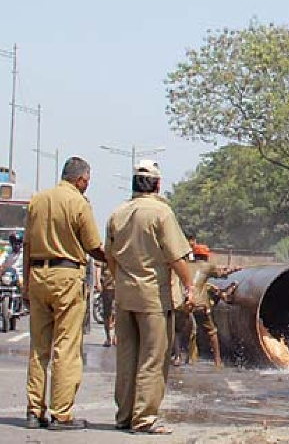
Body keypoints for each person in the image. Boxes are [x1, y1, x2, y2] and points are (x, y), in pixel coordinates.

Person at [106, 159, 194, 435]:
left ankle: (124, 415)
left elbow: (109, 256)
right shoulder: (161, 213)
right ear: (157, 184)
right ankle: (144, 418)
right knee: (152, 359)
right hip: (153, 297)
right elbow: (176, 256)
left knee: (127, 356)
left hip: (124, 295)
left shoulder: (117, 214)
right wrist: (189, 285)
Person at [22, 156, 108, 430]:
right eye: (87, 181)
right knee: (66, 348)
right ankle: (62, 413)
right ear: (81, 179)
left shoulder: (38, 199)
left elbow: (26, 245)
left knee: (38, 348)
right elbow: (93, 246)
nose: (87, 185)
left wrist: (26, 283)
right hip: (67, 277)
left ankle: (34, 411)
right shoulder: (78, 203)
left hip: (37, 275)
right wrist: (114, 259)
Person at [177, 235, 239, 368]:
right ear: (206, 256)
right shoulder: (207, 266)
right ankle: (217, 362)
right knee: (212, 332)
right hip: (199, 305)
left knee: (177, 330)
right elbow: (222, 274)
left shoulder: (186, 265)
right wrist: (234, 270)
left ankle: (177, 357)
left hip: (183, 302)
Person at [94, 258, 117, 347]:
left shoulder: (121, 249)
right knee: (107, 313)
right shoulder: (104, 252)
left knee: (119, 313)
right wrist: (98, 283)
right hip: (107, 286)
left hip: (120, 285)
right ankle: (108, 337)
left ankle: (115, 336)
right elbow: (98, 268)